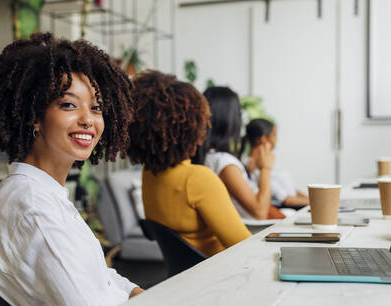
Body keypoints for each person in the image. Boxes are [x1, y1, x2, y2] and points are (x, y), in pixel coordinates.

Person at [0, 33, 143, 306]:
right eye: (69, 105)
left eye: (96, 107)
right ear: (35, 116)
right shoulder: (34, 208)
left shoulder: (42, 192)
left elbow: (97, 275)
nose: (88, 119)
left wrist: (134, 292)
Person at [127, 71, 251, 257]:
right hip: (223, 275)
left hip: (186, 277)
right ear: (192, 127)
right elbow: (246, 247)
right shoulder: (197, 179)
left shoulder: (149, 174)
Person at [198, 86, 278, 220]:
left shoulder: (208, 157)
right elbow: (259, 212)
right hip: (251, 234)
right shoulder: (224, 163)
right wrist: (266, 169)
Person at [243, 118, 309, 209]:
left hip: (295, 204)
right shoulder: (256, 167)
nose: (276, 140)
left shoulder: (269, 162)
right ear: (263, 139)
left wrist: (311, 199)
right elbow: (285, 199)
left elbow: (291, 190)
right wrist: (316, 203)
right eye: (274, 136)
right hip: (286, 208)